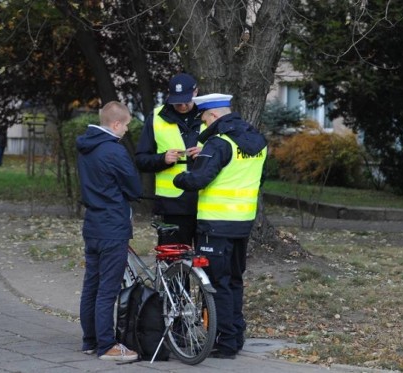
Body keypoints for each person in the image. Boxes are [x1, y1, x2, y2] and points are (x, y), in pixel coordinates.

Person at [173, 93, 267, 359]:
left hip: (215, 226)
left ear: (213, 116)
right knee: (235, 280)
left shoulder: (219, 143)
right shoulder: (257, 140)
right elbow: (261, 179)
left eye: (203, 119)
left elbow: (199, 179)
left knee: (217, 284)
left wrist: (181, 177)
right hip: (242, 223)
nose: (203, 124)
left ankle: (225, 343)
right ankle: (236, 336)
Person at [76, 101, 142, 362]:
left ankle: (89, 340)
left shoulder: (86, 147)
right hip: (113, 225)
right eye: (125, 125)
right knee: (108, 289)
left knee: (91, 285)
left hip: (92, 223)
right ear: (116, 124)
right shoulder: (114, 151)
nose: (126, 130)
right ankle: (107, 346)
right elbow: (134, 188)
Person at [135, 73, 204, 246]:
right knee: (173, 261)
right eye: (177, 101)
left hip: (208, 201)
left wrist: (208, 152)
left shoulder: (209, 114)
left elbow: (228, 150)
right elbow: (141, 160)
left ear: (196, 92)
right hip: (173, 205)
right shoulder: (157, 117)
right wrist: (162, 159)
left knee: (207, 263)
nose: (181, 106)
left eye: (185, 101)